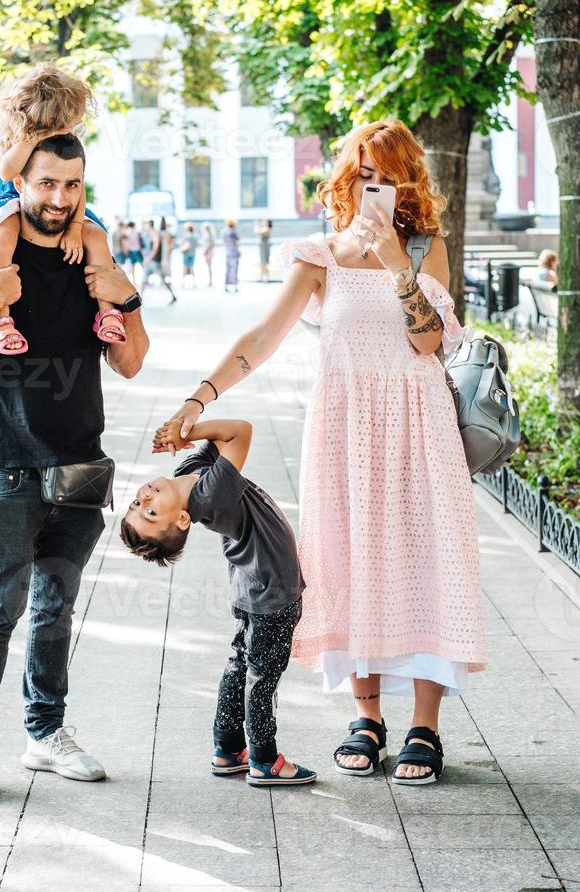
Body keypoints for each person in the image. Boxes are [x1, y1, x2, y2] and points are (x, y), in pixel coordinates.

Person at [154, 119, 484, 786]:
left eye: (388, 177)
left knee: (426, 563)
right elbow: (262, 336)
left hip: (420, 428)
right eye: (365, 174)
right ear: (346, 177)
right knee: (351, 561)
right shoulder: (320, 255)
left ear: (408, 182)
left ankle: (426, 726)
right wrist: (199, 399)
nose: (375, 188)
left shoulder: (427, 248)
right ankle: (366, 717)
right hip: (345, 432)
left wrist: (396, 262)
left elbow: (431, 344)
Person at [0, 132, 151, 804]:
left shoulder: (93, 255)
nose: (59, 199)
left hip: (80, 459)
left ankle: (44, 733)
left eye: (73, 185)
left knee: (55, 609)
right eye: (47, 183)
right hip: (7, 462)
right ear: (19, 179)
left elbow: (132, 361)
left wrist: (127, 297)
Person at [120, 419, 314, 786]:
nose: (144, 498)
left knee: (241, 665)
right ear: (181, 520)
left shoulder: (189, 474)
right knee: (263, 678)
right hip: (272, 591)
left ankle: (227, 749)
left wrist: (183, 428)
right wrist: (187, 432)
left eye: (137, 502)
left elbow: (218, 440)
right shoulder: (208, 494)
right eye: (149, 512)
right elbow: (240, 430)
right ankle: (264, 759)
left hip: (251, 586)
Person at [0, 64, 124, 355]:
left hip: (48, 195)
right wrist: (30, 139)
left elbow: (78, 184)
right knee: (4, 233)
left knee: (95, 235)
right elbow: (8, 172)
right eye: (54, 125)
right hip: (7, 195)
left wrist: (74, 228)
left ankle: (107, 312)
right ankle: (2, 317)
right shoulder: (11, 134)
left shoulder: (65, 137)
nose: (60, 130)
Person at [142, 216, 178, 305]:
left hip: (155, 262)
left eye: (145, 225)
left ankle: (173, 295)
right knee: (144, 280)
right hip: (152, 261)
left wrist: (148, 259)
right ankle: (139, 299)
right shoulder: (151, 234)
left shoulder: (155, 234)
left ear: (150, 225)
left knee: (162, 280)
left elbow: (155, 248)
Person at [221, 219, 241, 293]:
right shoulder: (232, 232)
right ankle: (235, 285)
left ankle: (226, 285)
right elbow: (237, 240)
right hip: (234, 253)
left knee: (228, 269)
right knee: (234, 269)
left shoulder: (224, 232)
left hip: (228, 252)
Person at [257, 219, 274, 283]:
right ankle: (262, 277)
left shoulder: (266, 228)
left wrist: (256, 226)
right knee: (262, 262)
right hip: (263, 245)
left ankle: (266, 277)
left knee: (264, 262)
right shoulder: (265, 228)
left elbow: (258, 231)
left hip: (264, 246)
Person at [201, 223, 217, 288]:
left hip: (208, 252)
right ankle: (210, 281)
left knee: (209, 267)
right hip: (209, 251)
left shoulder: (208, 235)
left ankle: (210, 281)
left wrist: (205, 251)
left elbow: (209, 244)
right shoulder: (210, 235)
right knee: (209, 267)